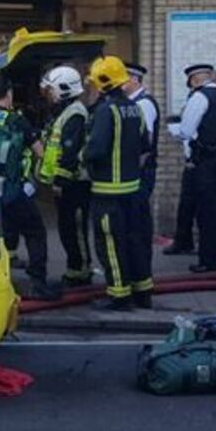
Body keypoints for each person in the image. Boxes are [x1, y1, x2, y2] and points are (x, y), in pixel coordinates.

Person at [0, 77, 59, 301]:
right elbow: (41, 152)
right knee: (35, 232)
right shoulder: (18, 122)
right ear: (9, 94)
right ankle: (38, 283)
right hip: (12, 192)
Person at [82, 56, 148, 310]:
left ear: (102, 82)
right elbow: (145, 146)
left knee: (110, 245)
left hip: (107, 193)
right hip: (133, 191)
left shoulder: (105, 111)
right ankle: (143, 292)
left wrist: (82, 156)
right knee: (135, 243)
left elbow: (95, 150)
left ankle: (119, 296)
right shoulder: (136, 108)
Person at [168, 63, 216, 273]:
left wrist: (174, 128)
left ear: (194, 81)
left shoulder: (199, 97)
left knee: (209, 211)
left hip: (211, 161)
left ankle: (208, 260)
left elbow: (186, 131)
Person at [36, 65, 92, 287]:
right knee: (67, 228)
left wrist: (60, 180)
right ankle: (74, 268)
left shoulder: (75, 114)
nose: (49, 95)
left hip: (74, 184)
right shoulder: (66, 112)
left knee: (75, 229)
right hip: (67, 182)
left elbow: (70, 151)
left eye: (51, 90)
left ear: (64, 89)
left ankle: (81, 271)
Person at [124, 61, 158, 303]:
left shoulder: (143, 105)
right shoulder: (132, 104)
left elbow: (142, 143)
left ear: (134, 79)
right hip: (135, 174)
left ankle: (141, 282)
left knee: (137, 228)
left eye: (123, 78)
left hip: (140, 174)